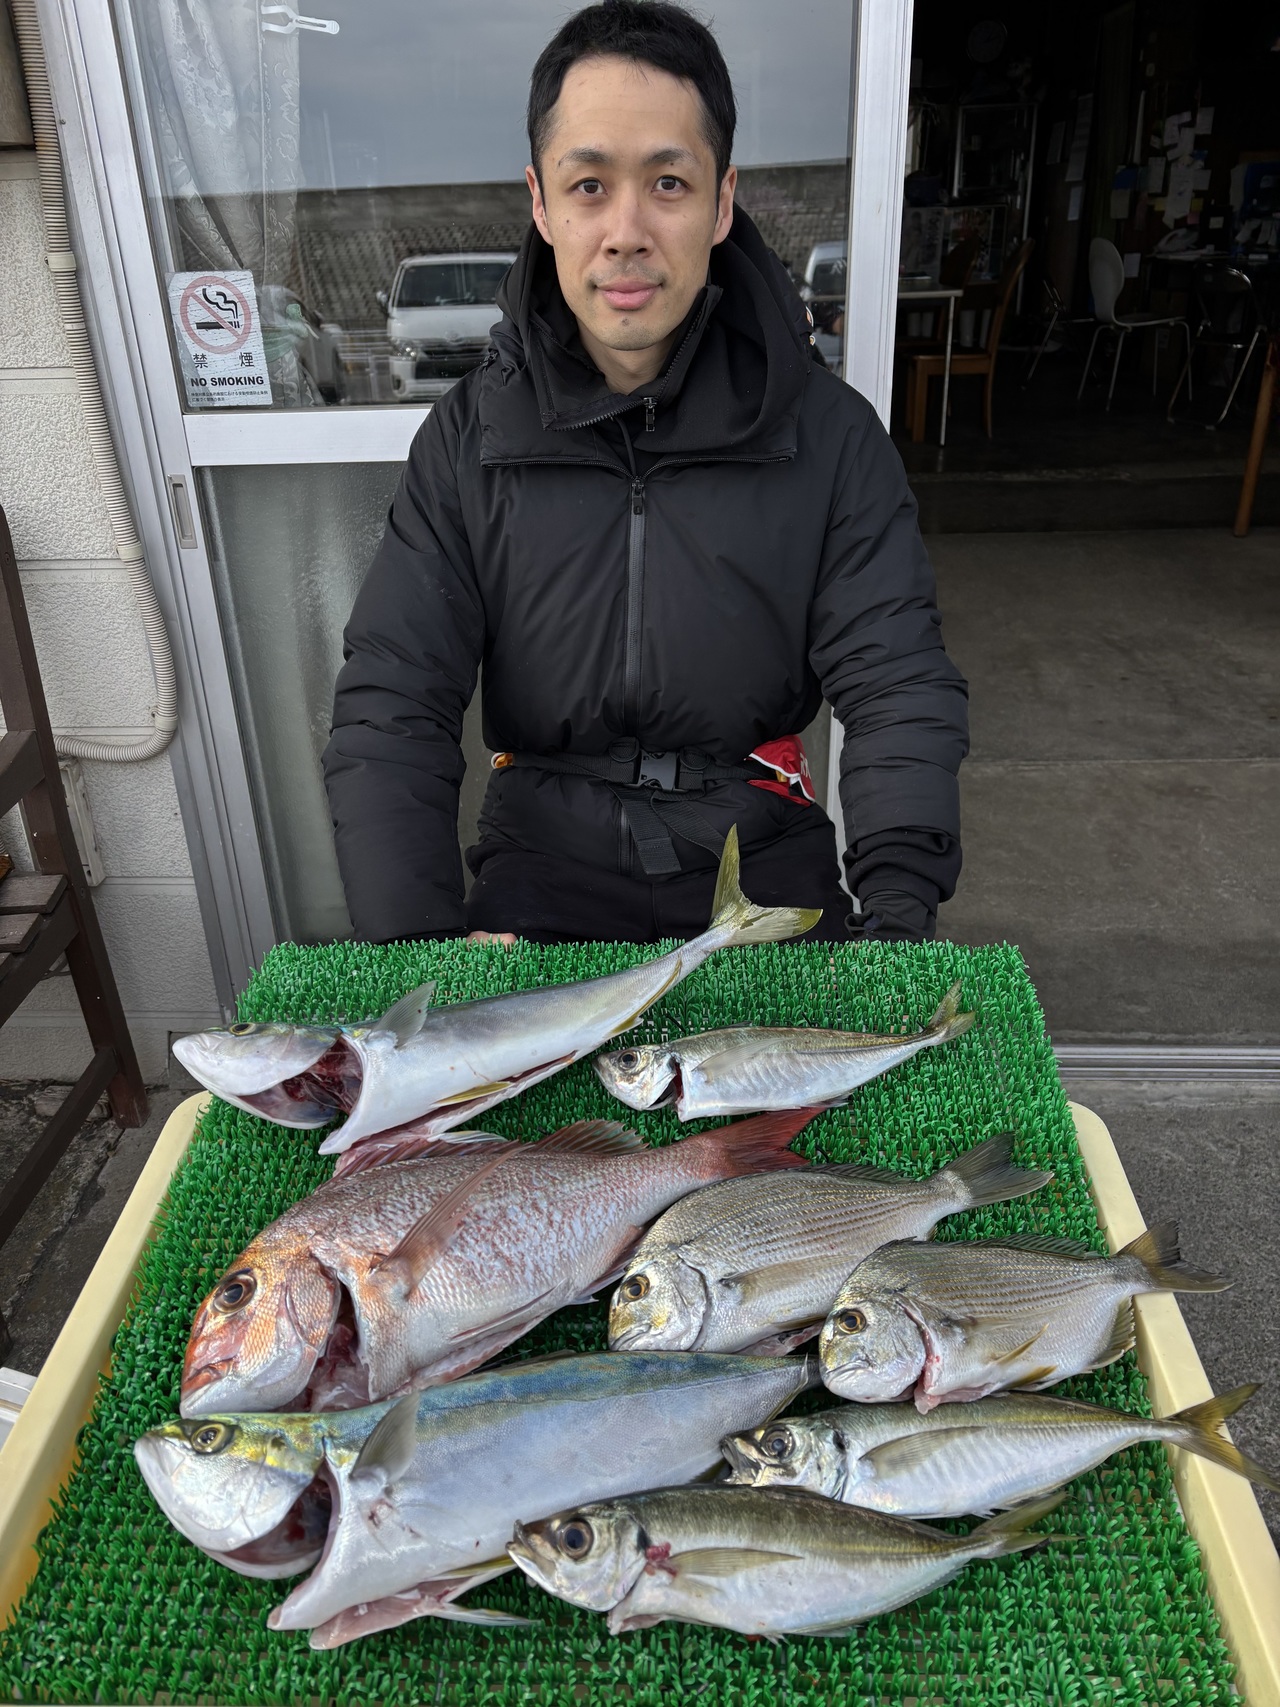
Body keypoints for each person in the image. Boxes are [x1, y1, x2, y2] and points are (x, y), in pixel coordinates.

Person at [323, 0, 968, 947]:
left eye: (668, 182)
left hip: (762, 852)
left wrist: (899, 918)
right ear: (541, 202)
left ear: (722, 201)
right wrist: (414, 948)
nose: (625, 230)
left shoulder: (831, 436)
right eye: (588, 185)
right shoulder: (468, 438)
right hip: (540, 860)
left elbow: (897, 681)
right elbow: (395, 696)